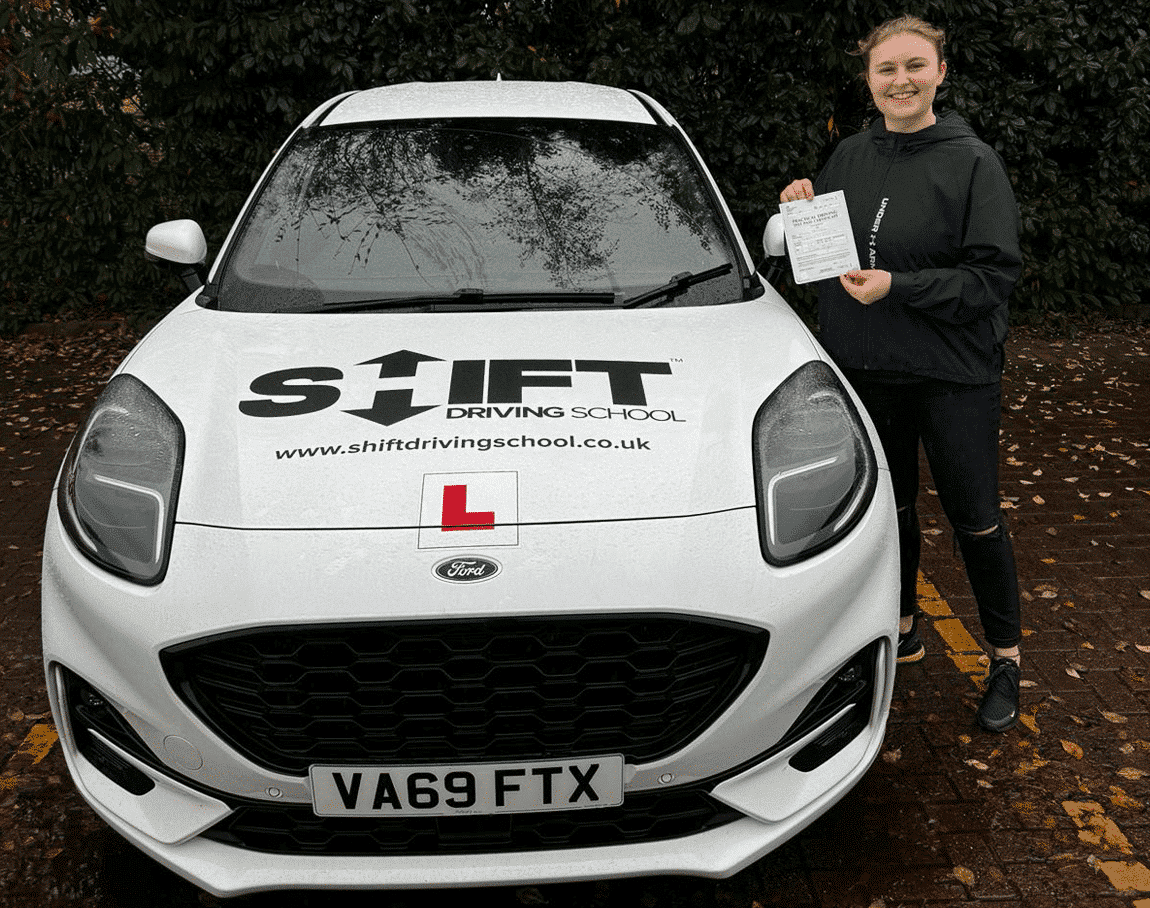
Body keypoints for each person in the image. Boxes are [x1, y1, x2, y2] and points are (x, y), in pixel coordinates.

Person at [779, 15, 1024, 732]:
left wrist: (900, 288)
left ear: (940, 73)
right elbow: (819, 268)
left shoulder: (973, 162)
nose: (902, 80)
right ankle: (904, 624)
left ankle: (1005, 657)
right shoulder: (849, 156)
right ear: (869, 79)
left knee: (975, 520)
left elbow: (992, 278)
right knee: (891, 510)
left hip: (951, 375)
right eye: (887, 69)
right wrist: (798, 214)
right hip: (864, 369)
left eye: (916, 66)